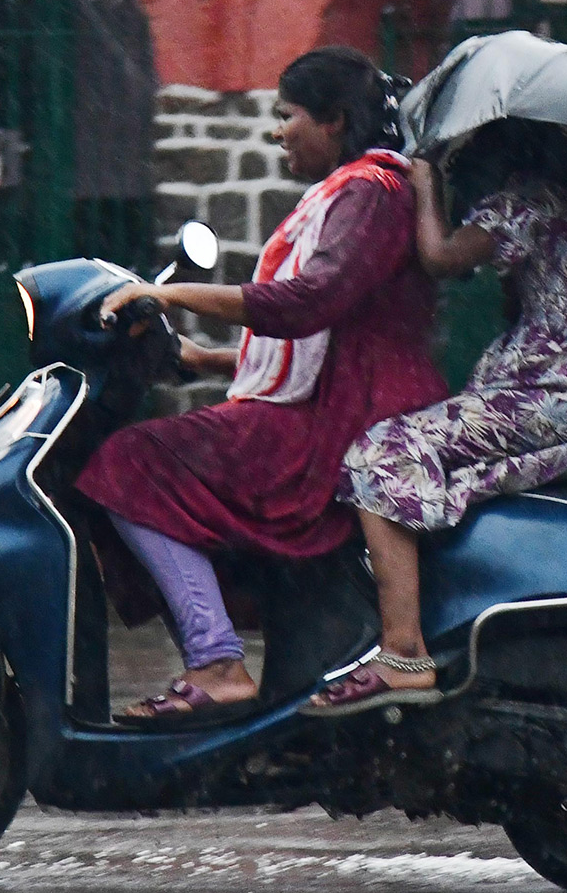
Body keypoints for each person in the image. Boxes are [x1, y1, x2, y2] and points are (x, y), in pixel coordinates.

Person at [74, 46, 448, 719]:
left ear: (333, 120)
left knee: (128, 464)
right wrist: (209, 359)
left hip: (339, 419)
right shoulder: (361, 191)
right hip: (341, 397)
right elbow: (331, 330)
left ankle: (217, 663)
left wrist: (178, 293)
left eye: (288, 115)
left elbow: (312, 301)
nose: (278, 132)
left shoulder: (372, 191)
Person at [308, 118, 567, 714]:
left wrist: (421, 184)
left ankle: (402, 651)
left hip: (545, 392)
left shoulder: (522, 205)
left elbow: (442, 259)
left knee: (381, 453)